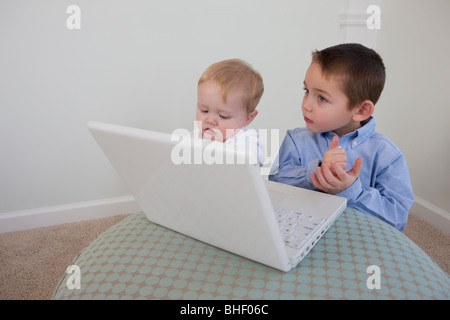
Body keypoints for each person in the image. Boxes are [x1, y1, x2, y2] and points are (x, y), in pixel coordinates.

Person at [269, 43, 414, 231]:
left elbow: (397, 219)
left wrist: (351, 188)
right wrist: (317, 171)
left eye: (321, 98)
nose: (306, 104)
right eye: (306, 91)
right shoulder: (296, 139)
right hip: (298, 230)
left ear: (361, 110)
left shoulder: (387, 155)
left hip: (356, 239)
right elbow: (275, 185)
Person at [193, 58, 265, 166]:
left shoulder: (247, 140)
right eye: (204, 110)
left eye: (223, 116)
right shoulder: (195, 136)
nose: (210, 120)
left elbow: (247, 160)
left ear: (248, 118)